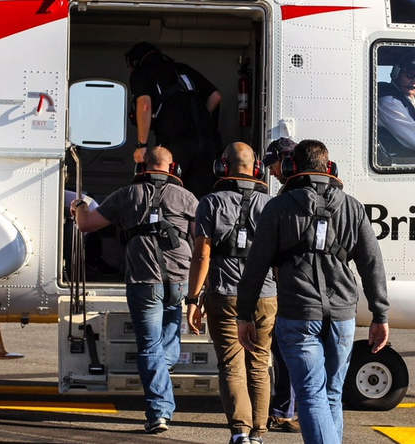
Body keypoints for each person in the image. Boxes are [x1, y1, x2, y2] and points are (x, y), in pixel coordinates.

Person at [236, 140, 390, 444]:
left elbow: (255, 267)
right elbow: (372, 263)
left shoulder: (277, 208)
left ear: (293, 167)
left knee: (310, 394)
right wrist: (380, 314)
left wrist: (244, 314)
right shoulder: (352, 207)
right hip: (343, 315)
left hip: (298, 313)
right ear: (329, 168)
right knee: (331, 393)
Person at [72, 146, 197, 434]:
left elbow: (87, 224)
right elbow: (200, 240)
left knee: (151, 347)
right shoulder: (187, 198)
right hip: (179, 281)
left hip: (144, 282)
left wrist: (79, 206)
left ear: (144, 167)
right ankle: (162, 384)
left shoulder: (127, 194)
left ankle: (159, 412)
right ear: (172, 168)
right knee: (168, 340)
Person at [185, 142, 275, 444]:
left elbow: (201, 255)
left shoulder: (210, 202)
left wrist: (193, 298)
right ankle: (259, 434)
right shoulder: (271, 204)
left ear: (223, 166)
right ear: (257, 168)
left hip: (225, 293)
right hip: (266, 293)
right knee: (259, 364)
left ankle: (240, 432)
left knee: (231, 364)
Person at [125, 42, 223, 197]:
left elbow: (144, 105)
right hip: (207, 143)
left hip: (175, 143)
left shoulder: (142, 73)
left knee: (169, 194)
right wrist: (200, 118)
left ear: (135, 62)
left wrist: (142, 145)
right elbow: (215, 96)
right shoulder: (182, 69)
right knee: (200, 197)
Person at [260, 137, 300, 433]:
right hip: (297, 285)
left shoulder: (291, 197)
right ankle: (285, 408)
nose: (271, 172)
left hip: (292, 286)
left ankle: (285, 410)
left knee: (287, 349)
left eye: (274, 164)